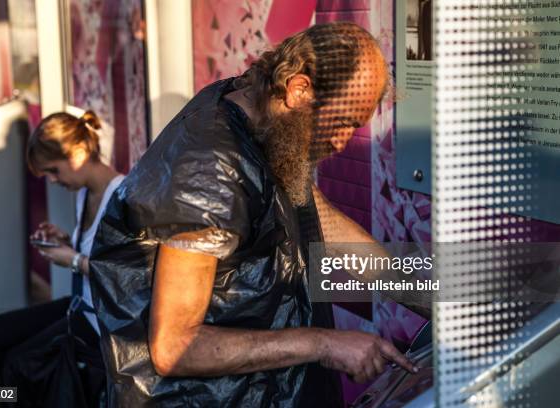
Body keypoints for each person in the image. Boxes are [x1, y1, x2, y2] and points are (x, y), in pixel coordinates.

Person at [90, 22, 424, 407]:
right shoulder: (210, 171)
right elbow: (176, 345)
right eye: (345, 122)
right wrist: (325, 343)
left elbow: (318, 218)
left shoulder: (258, 111)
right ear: (299, 89)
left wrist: (428, 291)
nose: (342, 141)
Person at [0, 111, 124, 395]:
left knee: (16, 365)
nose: (52, 180)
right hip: (80, 307)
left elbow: (126, 274)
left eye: (53, 170)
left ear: (80, 152)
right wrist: (65, 241)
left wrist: (71, 259)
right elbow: (102, 250)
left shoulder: (120, 197)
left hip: (98, 320)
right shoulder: (85, 192)